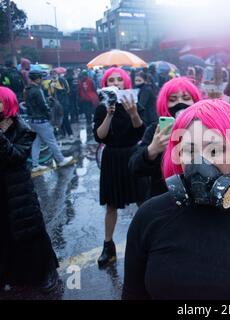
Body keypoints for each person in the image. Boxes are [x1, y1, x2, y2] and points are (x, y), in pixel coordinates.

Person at [122, 99, 230, 300]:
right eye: (189, 151)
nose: (199, 162)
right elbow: (132, 294)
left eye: (215, 151)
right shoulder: (149, 216)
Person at [0, 86, 60, 293]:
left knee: (30, 233)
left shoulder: (21, 128)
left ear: (7, 104)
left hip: (19, 192)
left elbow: (16, 157)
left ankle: (46, 273)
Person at [93, 67, 149, 269]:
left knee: (143, 201)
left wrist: (133, 113)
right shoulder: (101, 108)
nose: (116, 83)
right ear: (106, 84)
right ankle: (108, 247)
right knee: (111, 205)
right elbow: (100, 136)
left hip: (133, 155)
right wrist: (108, 115)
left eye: (119, 79)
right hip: (112, 158)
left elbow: (141, 131)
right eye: (111, 80)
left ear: (126, 83)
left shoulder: (133, 103)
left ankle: (148, 243)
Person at [128, 77, 202, 199]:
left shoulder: (204, 128)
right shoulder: (155, 130)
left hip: (198, 196)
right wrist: (152, 150)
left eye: (186, 98)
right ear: (165, 103)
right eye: (173, 99)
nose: (180, 103)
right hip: (163, 198)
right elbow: (134, 167)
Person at [24, 70, 73, 172]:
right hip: (41, 120)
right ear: (37, 79)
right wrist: (49, 115)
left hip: (32, 121)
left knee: (36, 143)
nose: (42, 80)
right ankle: (61, 160)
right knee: (52, 141)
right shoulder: (37, 90)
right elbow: (43, 106)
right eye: (41, 78)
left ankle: (35, 165)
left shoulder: (27, 89)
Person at [48, 69, 73, 140]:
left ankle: (70, 133)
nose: (53, 75)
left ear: (57, 74)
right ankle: (63, 133)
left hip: (64, 103)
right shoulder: (50, 83)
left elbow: (67, 90)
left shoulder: (62, 80)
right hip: (56, 104)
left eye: (54, 74)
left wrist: (57, 87)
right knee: (58, 119)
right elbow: (50, 94)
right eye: (52, 74)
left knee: (65, 118)